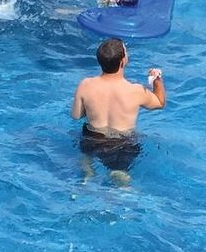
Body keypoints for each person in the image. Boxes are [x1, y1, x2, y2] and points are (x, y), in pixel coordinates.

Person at [70, 37, 166, 181]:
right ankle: (120, 180)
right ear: (122, 61)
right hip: (122, 144)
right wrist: (156, 79)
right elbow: (160, 102)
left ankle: (86, 176)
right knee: (120, 174)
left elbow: (76, 115)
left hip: (91, 138)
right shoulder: (136, 91)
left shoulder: (85, 85)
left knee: (86, 160)